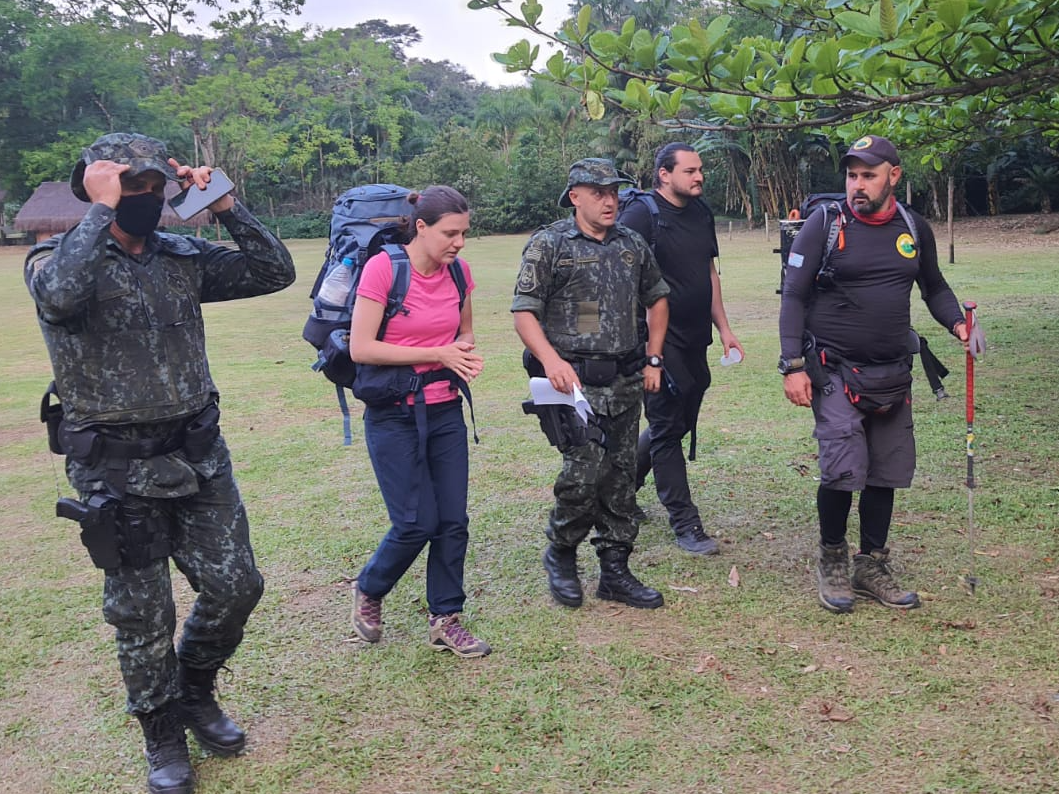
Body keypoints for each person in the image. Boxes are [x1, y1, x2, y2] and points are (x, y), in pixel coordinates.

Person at [25, 133, 295, 794]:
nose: (141, 196)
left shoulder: (180, 256)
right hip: (115, 469)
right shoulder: (55, 260)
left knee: (238, 586)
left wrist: (225, 205)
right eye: (127, 183)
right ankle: (161, 730)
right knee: (143, 616)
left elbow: (273, 271)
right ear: (95, 184)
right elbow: (59, 298)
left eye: (151, 185)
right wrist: (97, 206)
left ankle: (194, 689)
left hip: (198, 455)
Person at [779, 134, 969, 614]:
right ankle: (834, 559)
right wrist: (793, 366)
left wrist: (959, 323)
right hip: (833, 370)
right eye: (852, 175)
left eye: (868, 175)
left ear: (894, 176)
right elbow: (793, 296)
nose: (857, 185)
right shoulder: (823, 224)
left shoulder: (912, 226)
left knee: (886, 470)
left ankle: (872, 563)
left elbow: (935, 286)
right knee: (843, 470)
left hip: (893, 372)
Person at [513, 158, 671, 610]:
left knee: (620, 479)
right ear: (574, 196)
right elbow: (525, 311)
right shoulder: (551, 244)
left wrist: (653, 358)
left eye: (613, 192)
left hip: (625, 380)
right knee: (582, 476)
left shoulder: (631, 244)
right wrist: (550, 361)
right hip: (573, 386)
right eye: (597, 192)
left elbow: (657, 298)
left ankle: (615, 570)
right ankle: (561, 553)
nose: (609, 200)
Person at [348, 186, 491, 658]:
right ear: (422, 227)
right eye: (451, 233)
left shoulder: (459, 273)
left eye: (465, 233)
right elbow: (361, 348)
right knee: (415, 522)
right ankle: (370, 588)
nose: (459, 243)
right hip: (393, 414)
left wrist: (463, 351)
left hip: (445, 407)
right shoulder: (385, 268)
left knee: (452, 521)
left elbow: (464, 329)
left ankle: (446, 619)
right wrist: (437, 353)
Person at [619, 142, 744, 556]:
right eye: (690, 171)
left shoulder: (701, 212)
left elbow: (709, 273)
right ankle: (685, 523)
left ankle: (622, 490)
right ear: (664, 175)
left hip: (696, 337)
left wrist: (724, 327)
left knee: (678, 418)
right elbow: (620, 280)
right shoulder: (642, 215)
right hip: (656, 341)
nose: (699, 177)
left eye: (700, 169)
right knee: (668, 425)